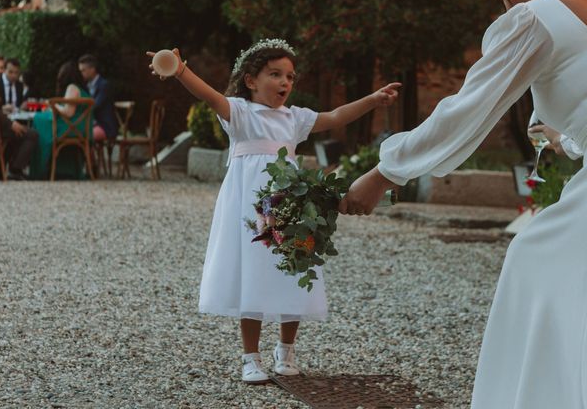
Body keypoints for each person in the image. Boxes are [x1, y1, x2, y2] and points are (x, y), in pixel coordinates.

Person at [340, 0, 587, 407]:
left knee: (536, 261)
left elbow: (465, 111)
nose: (504, 0)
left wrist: (384, 172)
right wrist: (571, 139)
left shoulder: (536, 16)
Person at [147, 39, 400, 384]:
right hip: (249, 206)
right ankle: (250, 357)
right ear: (251, 80)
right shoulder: (239, 112)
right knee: (251, 273)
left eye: (290, 77)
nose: (285, 82)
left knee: (293, 268)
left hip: (289, 203)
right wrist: (180, 71)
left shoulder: (294, 119)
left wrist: (373, 99)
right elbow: (208, 95)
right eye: (275, 74)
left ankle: (286, 349)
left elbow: (337, 116)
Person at [28, 61, 93, 180]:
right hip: (81, 129)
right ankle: (61, 169)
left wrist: (52, 104)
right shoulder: (83, 90)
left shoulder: (72, 88)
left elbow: (68, 112)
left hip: (71, 129)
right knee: (43, 120)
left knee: (39, 120)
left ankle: (42, 168)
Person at [0, 54, 38, 180]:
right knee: (31, 134)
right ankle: (15, 169)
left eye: (1, 68)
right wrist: (11, 123)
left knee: (15, 132)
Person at [77, 54, 118, 141]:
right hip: (93, 125)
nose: (81, 74)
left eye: (83, 70)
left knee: (80, 137)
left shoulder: (104, 85)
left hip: (105, 127)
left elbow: (94, 106)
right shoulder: (88, 86)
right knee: (75, 134)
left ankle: (88, 155)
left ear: (92, 69)